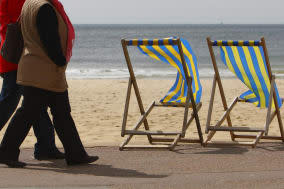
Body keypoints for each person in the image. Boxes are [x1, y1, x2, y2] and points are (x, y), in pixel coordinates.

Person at [0, 0, 99, 168]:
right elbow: (49, 38)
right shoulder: (44, 7)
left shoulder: (30, 4)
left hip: (35, 66)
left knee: (60, 111)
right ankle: (7, 151)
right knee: (30, 111)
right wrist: (60, 61)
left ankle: (75, 153)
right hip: (43, 69)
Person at [0, 0, 64, 160]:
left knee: (35, 102)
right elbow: (6, 22)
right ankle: (44, 147)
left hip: (26, 55)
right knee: (13, 101)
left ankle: (45, 146)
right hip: (17, 55)